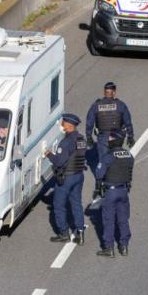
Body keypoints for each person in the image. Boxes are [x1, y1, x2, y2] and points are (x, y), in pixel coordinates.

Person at [45, 113, 87, 244]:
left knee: (58, 205)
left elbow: (58, 162)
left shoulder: (65, 142)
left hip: (66, 177)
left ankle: (64, 233)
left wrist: (49, 154)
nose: (61, 125)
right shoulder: (81, 139)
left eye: (63, 123)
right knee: (76, 204)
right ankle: (80, 232)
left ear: (69, 125)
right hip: (78, 175)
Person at [95, 130, 134, 258]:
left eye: (110, 140)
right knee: (123, 219)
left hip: (111, 191)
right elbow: (129, 172)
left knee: (109, 220)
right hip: (124, 191)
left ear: (113, 141)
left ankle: (109, 248)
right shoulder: (128, 155)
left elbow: (99, 174)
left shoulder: (108, 156)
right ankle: (124, 246)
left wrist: (97, 189)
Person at [86, 82, 134, 163]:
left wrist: (89, 137)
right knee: (116, 159)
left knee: (103, 161)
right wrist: (130, 137)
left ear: (104, 92)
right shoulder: (120, 105)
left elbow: (89, 123)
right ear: (114, 92)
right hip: (117, 137)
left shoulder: (96, 105)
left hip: (102, 137)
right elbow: (128, 122)